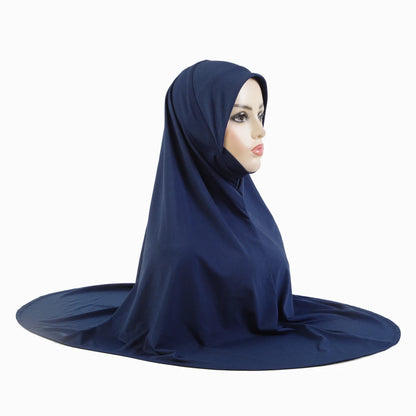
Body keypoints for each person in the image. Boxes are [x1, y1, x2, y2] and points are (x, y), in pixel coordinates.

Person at [16, 60, 400, 370]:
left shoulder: (250, 208)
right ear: (199, 126)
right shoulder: (182, 250)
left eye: (260, 114)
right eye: (240, 117)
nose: (261, 131)